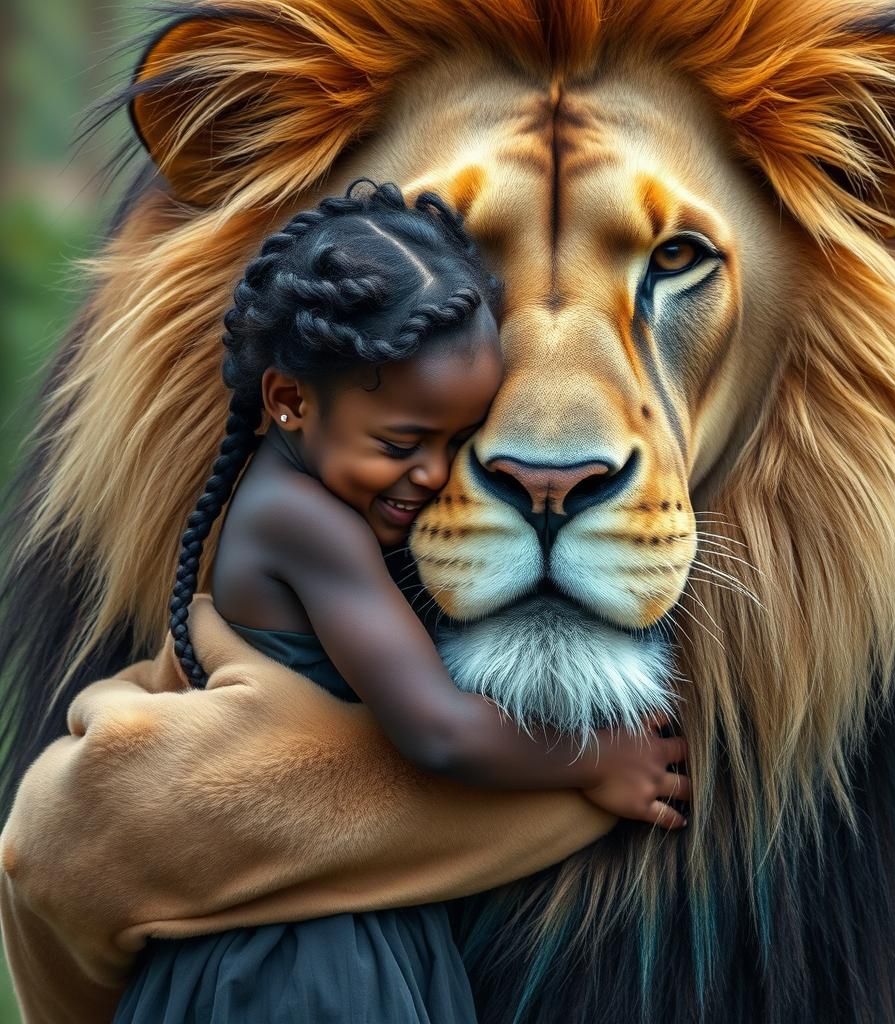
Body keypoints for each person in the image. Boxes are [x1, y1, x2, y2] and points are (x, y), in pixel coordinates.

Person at [114, 179, 689, 1022]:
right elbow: (437, 729)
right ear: (288, 400)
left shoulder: (297, 489)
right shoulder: (311, 528)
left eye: (458, 441)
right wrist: (602, 763)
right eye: (402, 443)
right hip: (303, 962)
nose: (434, 477)